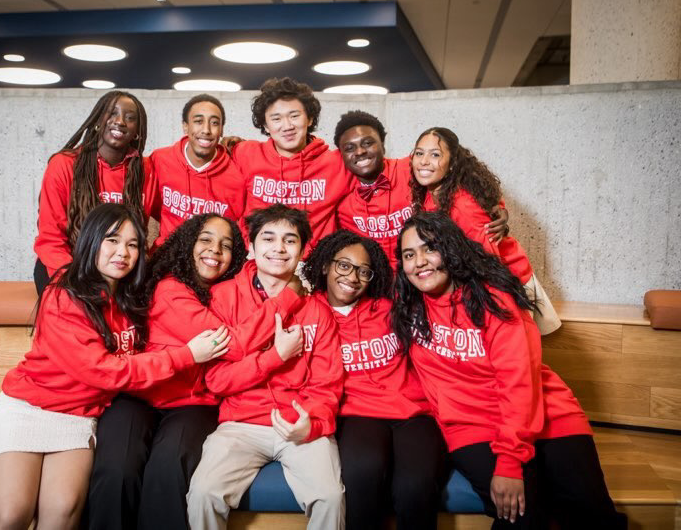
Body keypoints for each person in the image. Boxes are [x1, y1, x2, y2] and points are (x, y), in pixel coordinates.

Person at [0, 203, 227, 530]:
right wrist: (187, 355)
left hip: (79, 418)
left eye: (133, 244)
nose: (122, 252)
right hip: (31, 408)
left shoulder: (132, 296)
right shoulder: (63, 296)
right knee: (11, 513)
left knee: (63, 511)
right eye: (112, 240)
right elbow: (104, 371)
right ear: (92, 242)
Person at [391, 211, 626, 529]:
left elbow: (518, 382)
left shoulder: (494, 301)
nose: (419, 261)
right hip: (471, 426)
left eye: (429, 248)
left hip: (546, 413)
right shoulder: (407, 308)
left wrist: (510, 459)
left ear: (451, 249)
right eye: (409, 254)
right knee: (524, 518)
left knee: (594, 516)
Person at [87, 212, 306, 530]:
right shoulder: (169, 290)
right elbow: (232, 344)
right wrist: (288, 297)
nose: (215, 250)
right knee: (116, 468)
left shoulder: (230, 295)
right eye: (205, 240)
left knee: (169, 467)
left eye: (226, 245)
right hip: (142, 397)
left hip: (193, 402)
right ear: (187, 243)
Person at [187, 204, 345, 530]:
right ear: (251, 245)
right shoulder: (222, 298)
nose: (278, 248)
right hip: (239, 424)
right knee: (203, 492)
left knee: (329, 497)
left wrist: (311, 424)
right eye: (268, 238)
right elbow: (216, 379)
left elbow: (327, 385)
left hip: (300, 425)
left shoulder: (318, 310)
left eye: (290, 240)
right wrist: (274, 357)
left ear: (303, 250)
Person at [302, 229, 447, 529]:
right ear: (326, 265)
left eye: (363, 272)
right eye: (343, 266)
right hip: (357, 415)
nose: (352, 278)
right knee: (362, 473)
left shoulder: (388, 308)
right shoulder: (308, 312)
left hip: (414, 414)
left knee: (415, 487)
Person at [409, 127, 559, 334]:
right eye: (419, 153)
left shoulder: (463, 204)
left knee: (515, 357)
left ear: (452, 164)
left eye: (435, 154)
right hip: (476, 283)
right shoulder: (430, 192)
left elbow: (488, 264)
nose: (424, 161)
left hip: (504, 284)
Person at [334, 110, 508, 268]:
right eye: (349, 148)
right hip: (384, 286)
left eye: (368, 143)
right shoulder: (341, 198)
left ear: (383, 145)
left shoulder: (412, 168)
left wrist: (496, 207)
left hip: (426, 275)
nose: (360, 152)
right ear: (340, 154)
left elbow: (464, 174)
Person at [33, 91, 155, 294]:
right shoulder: (64, 165)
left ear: (138, 131)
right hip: (70, 263)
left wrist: (227, 148)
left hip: (121, 266)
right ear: (98, 119)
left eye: (130, 118)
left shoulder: (147, 170)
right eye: (112, 113)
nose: (120, 121)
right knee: (80, 309)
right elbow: (51, 237)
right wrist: (73, 279)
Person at [230, 77, 352, 250]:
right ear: (265, 125)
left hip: (313, 266)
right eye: (276, 118)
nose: (287, 126)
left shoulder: (337, 163)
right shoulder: (244, 154)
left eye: (294, 116)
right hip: (256, 262)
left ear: (309, 119)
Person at [149, 94, 246, 247]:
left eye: (214, 123)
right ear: (185, 126)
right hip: (166, 260)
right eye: (198, 121)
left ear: (221, 130)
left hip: (212, 262)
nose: (206, 130)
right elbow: (152, 207)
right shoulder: (160, 159)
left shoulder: (237, 174)